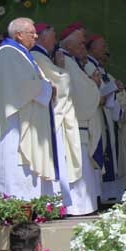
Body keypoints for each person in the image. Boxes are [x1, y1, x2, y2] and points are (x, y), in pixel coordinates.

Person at [0, 18, 57, 199]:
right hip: (12, 124)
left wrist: (45, 86)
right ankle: (16, 206)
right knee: (15, 166)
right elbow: (24, 86)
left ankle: (30, 205)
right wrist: (48, 87)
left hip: (23, 119)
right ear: (19, 35)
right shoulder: (8, 54)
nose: (36, 36)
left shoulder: (19, 54)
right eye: (32, 33)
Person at [30, 24, 83, 212]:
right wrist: (60, 68)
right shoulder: (37, 56)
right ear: (43, 37)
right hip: (49, 118)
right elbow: (60, 81)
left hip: (53, 116)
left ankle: (57, 202)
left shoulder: (44, 56)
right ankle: (54, 202)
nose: (55, 40)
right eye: (53, 36)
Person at [59, 23, 103, 215]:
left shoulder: (72, 61)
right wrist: (93, 84)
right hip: (74, 125)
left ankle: (84, 206)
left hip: (80, 124)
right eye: (80, 43)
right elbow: (79, 92)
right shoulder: (66, 61)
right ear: (68, 45)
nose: (83, 46)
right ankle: (77, 207)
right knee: (77, 166)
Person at [85, 35, 126, 204]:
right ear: (92, 48)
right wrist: (112, 89)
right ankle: (103, 196)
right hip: (98, 118)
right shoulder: (88, 66)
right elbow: (94, 93)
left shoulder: (103, 71)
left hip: (109, 121)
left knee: (113, 156)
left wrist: (118, 90)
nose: (106, 50)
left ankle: (112, 196)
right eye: (102, 46)